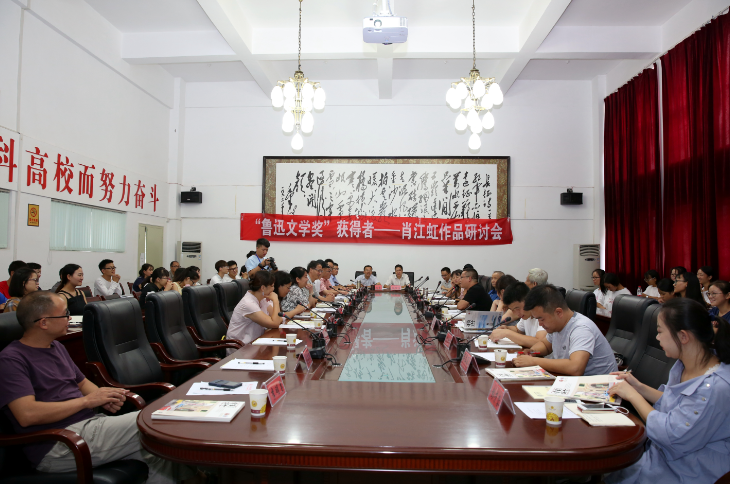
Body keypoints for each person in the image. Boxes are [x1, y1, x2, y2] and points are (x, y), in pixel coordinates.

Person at [0, 291, 198, 483]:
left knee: (159, 452)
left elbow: (82, 383)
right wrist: (87, 401)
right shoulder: (11, 359)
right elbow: (27, 414)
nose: (70, 318)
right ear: (43, 323)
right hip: (59, 444)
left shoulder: (56, 347)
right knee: (158, 420)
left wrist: (106, 397)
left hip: (88, 426)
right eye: (65, 314)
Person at [604, 298, 730, 484]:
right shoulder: (685, 363)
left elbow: (670, 435)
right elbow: (675, 402)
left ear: (683, 336)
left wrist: (633, 395)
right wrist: (638, 386)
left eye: (660, 331)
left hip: (689, 467)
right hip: (661, 455)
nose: (657, 338)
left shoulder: (714, 387)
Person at [513, 284, 618, 376]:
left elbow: (575, 368)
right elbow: (546, 345)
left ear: (558, 312)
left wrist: (534, 361)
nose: (540, 324)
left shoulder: (581, 328)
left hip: (600, 387)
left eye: (541, 319)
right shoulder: (557, 325)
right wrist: (532, 352)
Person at [226, 271, 282, 349]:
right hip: (240, 348)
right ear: (263, 288)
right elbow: (275, 323)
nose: (273, 289)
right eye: (272, 286)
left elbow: (279, 319)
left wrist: (275, 303)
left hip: (254, 343)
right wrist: (275, 300)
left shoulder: (261, 299)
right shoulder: (248, 304)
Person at [490, 282, 547, 348]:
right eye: (512, 310)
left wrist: (507, 333)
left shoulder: (541, 314)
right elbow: (518, 329)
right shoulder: (526, 315)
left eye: (517, 308)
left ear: (527, 300)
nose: (516, 313)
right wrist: (506, 328)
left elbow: (540, 342)